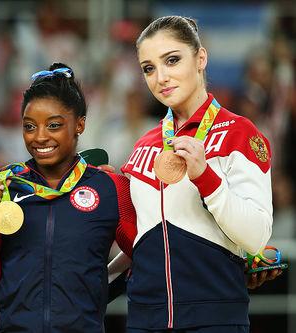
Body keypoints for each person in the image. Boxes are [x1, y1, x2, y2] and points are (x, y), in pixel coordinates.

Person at [117, 15, 275, 332]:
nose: (160, 77)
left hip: (213, 319)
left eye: (172, 60)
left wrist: (206, 178)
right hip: (144, 319)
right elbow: (143, 242)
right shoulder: (143, 145)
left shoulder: (239, 133)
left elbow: (257, 235)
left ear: (200, 58)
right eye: (149, 68)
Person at [0, 63, 137, 332]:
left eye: (54, 125)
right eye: (30, 126)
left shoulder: (110, 188)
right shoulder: (5, 188)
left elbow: (146, 257)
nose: (40, 137)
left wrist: (102, 291)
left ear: (80, 124)